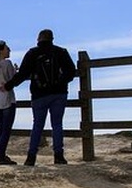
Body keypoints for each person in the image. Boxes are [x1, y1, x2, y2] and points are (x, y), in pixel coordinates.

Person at [4, 29, 77, 166]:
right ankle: (58, 156)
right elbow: (71, 71)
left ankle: (31, 157)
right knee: (57, 124)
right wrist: (59, 83)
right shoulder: (61, 52)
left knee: (37, 125)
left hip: (39, 95)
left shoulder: (32, 53)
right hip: (59, 94)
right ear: (52, 39)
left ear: (38, 39)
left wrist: (8, 86)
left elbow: (23, 74)